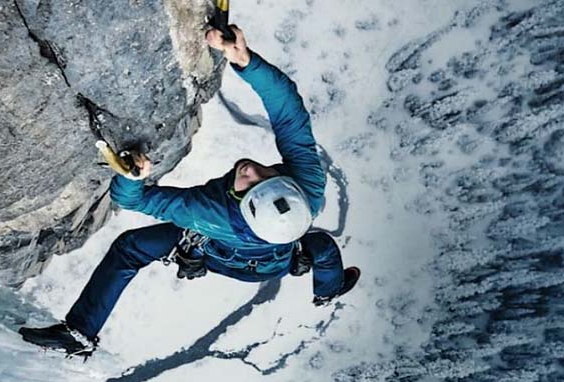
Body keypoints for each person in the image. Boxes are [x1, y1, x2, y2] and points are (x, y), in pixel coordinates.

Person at [19, 26, 359, 357]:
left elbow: (130, 200)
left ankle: (80, 332)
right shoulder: (307, 190)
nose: (251, 170)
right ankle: (329, 290)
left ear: (240, 205)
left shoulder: (207, 213)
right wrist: (245, 60)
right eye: (268, 177)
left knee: (130, 249)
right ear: (289, 188)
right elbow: (290, 114)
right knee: (322, 249)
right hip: (274, 260)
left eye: (249, 186)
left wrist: (133, 177)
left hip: (215, 249)